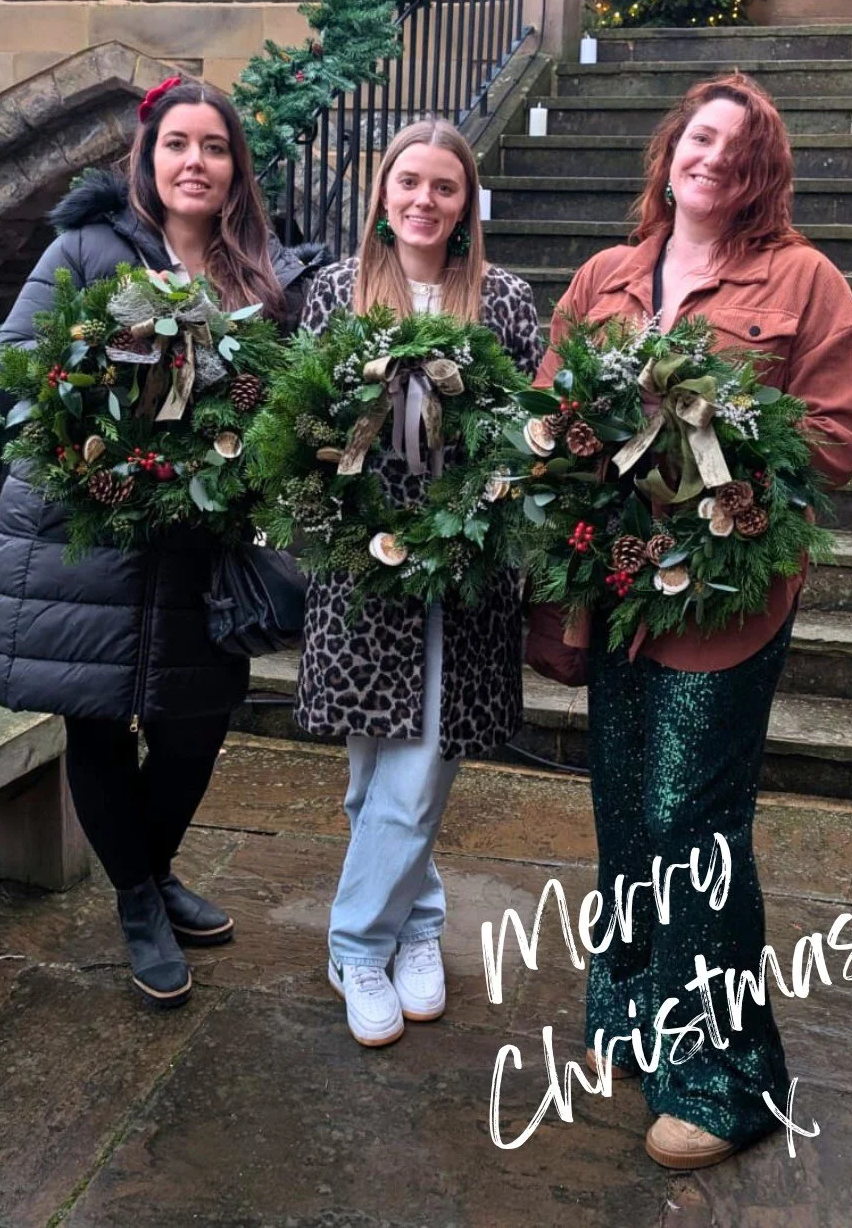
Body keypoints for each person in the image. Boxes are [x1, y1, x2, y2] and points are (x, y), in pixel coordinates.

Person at [532, 74, 852, 1167]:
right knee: (627, 811)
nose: (713, 154)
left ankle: (727, 1079)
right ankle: (634, 1019)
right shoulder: (605, 277)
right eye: (699, 133)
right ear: (671, 149)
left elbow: (838, 433)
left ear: (762, 171)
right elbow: (552, 415)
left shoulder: (803, 280)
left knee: (695, 827)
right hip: (618, 593)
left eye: (739, 143)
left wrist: (722, 490)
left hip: (724, 602)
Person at [0, 78, 323, 1009]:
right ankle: (138, 901)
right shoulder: (84, 248)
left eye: (214, 147)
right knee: (96, 722)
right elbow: (11, 365)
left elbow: (283, 405)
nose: (194, 163)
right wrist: (89, 432)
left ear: (236, 167)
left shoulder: (261, 270)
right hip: (86, 536)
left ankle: (151, 870)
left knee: (193, 729)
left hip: (202, 543)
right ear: (148, 157)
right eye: (177, 145)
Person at [296, 118, 542, 1047]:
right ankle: (421, 926)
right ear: (384, 194)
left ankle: (357, 944)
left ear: (467, 202)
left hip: (467, 568)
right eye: (410, 182)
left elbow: (528, 436)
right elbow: (307, 429)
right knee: (375, 779)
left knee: (422, 766)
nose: (425, 200)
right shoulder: (336, 292)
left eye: (445, 186)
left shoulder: (506, 300)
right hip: (366, 571)